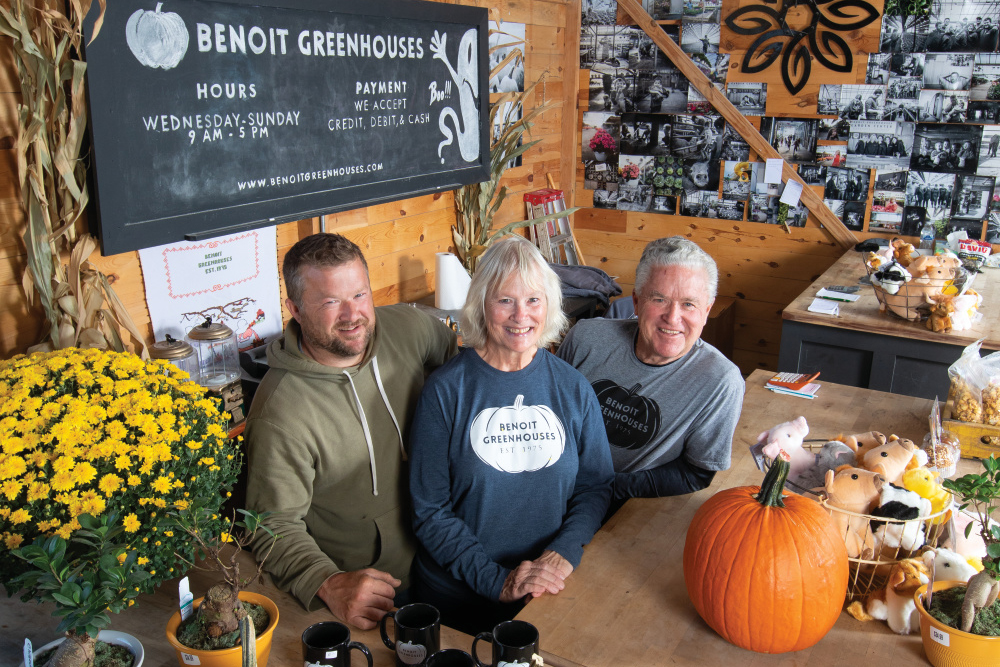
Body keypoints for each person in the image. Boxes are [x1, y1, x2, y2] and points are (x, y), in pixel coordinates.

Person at [245, 233, 458, 629]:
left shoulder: (408, 328)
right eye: (330, 301)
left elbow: (460, 366)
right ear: (294, 308)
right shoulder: (280, 412)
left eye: (360, 295)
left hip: (453, 551)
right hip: (382, 593)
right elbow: (272, 525)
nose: (352, 314)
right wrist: (327, 582)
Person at [408, 236, 613, 634]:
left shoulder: (572, 388)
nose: (521, 315)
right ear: (482, 305)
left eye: (534, 300)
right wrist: (495, 580)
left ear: (550, 305)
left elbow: (596, 486)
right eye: (505, 300)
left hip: (544, 594)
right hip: (457, 600)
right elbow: (429, 509)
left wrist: (562, 553)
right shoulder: (446, 390)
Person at [556, 237, 744, 517]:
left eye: (689, 304)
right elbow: (546, 414)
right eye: (660, 299)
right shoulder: (586, 338)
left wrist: (605, 489)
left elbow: (696, 473)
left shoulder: (720, 381)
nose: (673, 317)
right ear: (636, 301)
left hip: (628, 507)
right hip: (551, 485)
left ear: (706, 311)